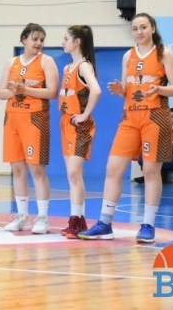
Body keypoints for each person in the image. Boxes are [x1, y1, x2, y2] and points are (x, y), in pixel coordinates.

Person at [78, 12, 173, 243]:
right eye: (135, 28)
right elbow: (128, 89)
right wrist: (121, 90)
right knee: (113, 169)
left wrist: (159, 89)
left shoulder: (164, 54)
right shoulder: (128, 55)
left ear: (152, 28)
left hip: (155, 117)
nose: (139, 32)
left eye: (143, 27)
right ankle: (105, 223)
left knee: (150, 171)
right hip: (130, 117)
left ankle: (148, 225)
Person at [0, 23, 59, 234]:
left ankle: (42, 218)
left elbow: (52, 92)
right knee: (17, 169)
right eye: (35, 39)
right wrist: (15, 91)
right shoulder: (12, 62)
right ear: (24, 39)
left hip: (35, 119)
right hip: (12, 118)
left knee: (37, 169)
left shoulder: (46, 61)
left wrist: (26, 90)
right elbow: (2, 93)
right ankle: (22, 217)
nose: (39, 43)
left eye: (42, 39)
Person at [57, 25, 101, 239]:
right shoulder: (68, 67)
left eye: (66, 38)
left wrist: (84, 115)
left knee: (74, 173)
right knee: (72, 174)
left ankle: (76, 222)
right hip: (66, 122)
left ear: (77, 42)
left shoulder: (83, 66)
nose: (62, 42)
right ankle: (78, 220)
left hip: (79, 125)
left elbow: (96, 90)